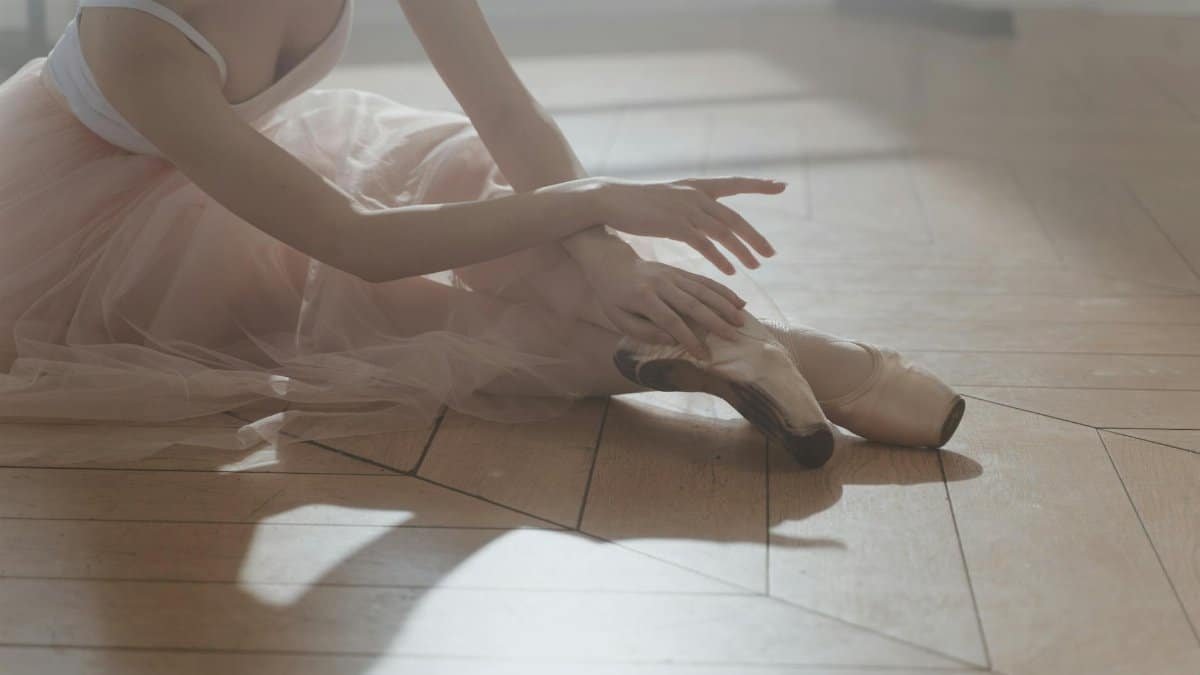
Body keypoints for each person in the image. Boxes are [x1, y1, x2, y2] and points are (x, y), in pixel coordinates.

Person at [0, 0, 963, 468]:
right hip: (86, 251)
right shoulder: (139, 30)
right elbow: (354, 239)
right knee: (396, 301)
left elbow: (506, 111)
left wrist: (609, 253)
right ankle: (803, 360)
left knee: (468, 168)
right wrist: (601, 201)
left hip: (261, 169)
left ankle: (683, 338)